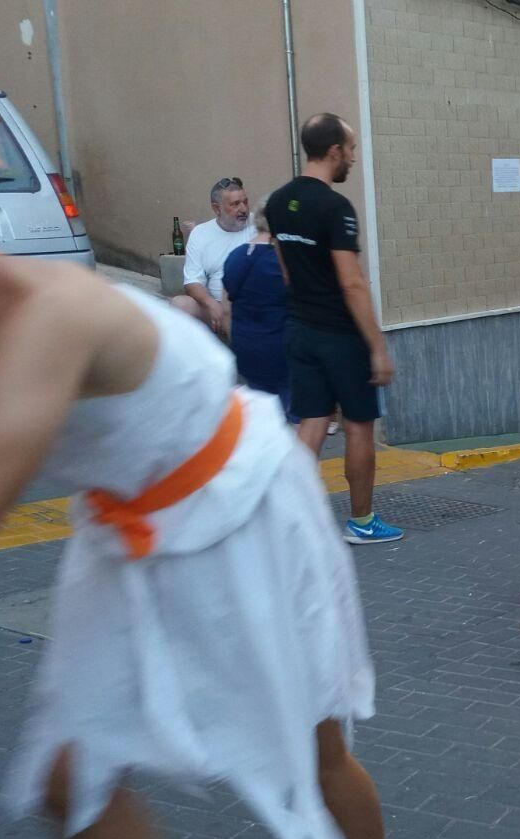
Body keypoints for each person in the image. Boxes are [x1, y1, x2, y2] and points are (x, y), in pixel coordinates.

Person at [0, 257, 384, 839]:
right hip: (127, 531)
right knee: (69, 776)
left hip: (243, 509)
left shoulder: (54, 311)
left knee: (317, 749)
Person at [265, 113, 402, 545]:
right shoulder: (335, 208)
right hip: (341, 336)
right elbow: (352, 283)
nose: (354, 158)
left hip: (299, 328)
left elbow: (286, 271)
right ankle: (362, 522)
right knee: (359, 425)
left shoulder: (277, 202)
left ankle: (288, 520)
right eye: (351, 149)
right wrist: (377, 347)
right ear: (334, 151)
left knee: (311, 420)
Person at [223, 206, 291, 415]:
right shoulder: (284, 260)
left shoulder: (235, 256)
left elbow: (226, 310)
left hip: (247, 348)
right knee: (294, 415)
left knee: (261, 413)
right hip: (282, 349)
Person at [176, 176, 257, 333]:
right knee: (180, 305)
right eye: (235, 204)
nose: (244, 209)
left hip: (252, 306)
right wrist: (211, 303)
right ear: (217, 208)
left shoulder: (258, 224)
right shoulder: (201, 234)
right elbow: (192, 281)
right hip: (218, 308)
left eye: (245, 202)